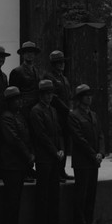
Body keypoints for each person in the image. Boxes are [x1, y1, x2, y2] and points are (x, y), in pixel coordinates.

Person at [68, 84, 105, 224]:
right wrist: (92, 154)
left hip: (94, 160)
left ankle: (89, 220)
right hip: (82, 160)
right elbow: (79, 138)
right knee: (81, 193)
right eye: (86, 95)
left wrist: (101, 153)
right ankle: (80, 222)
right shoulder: (73, 115)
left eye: (90, 95)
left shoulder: (94, 115)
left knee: (91, 192)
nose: (89, 97)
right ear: (79, 98)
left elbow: (100, 135)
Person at [30, 79, 65, 224]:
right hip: (44, 157)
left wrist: (62, 149)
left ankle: (53, 221)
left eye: (51, 93)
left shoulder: (53, 110)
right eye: (46, 93)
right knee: (43, 192)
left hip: (55, 157)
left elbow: (58, 132)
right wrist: (54, 151)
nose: (49, 96)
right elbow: (41, 135)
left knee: (54, 191)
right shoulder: (36, 111)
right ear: (41, 95)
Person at [0, 86, 34, 224]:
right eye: (15, 100)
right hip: (11, 163)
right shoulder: (6, 117)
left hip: (19, 162)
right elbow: (14, 139)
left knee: (16, 195)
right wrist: (28, 155)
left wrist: (30, 153)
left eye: (19, 99)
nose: (18, 102)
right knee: (11, 196)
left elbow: (26, 136)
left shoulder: (19, 116)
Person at [44, 50, 74, 181]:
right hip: (55, 114)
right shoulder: (49, 76)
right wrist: (67, 109)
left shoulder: (64, 78)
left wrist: (71, 108)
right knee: (56, 142)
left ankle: (61, 170)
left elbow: (69, 96)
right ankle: (56, 172)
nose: (61, 64)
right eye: (58, 62)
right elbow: (54, 97)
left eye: (62, 62)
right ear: (53, 64)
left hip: (66, 115)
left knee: (65, 143)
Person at [9, 41, 41, 119]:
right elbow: (13, 94)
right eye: (26, 52)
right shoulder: (17, 71)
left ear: (35, 54)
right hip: (23, 108)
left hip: (36, 107)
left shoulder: (36, 70)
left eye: (31, 52)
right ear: (23, 54)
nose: (29, 54)